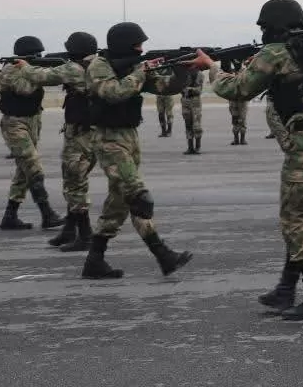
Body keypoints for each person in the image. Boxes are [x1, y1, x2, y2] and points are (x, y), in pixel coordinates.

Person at [210, 0, 303, 320]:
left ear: (272, 25)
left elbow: (238, 89)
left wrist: (212, 69)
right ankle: (286, 288)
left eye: (264, 26)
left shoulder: (275, 53)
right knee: (302, 216)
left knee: (296, 220)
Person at [80, 22, 193, 280]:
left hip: (129, 136)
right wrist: (141, 71)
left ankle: (95, 260)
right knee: (138, 195)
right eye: (137, 45)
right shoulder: (100, 65)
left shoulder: (133, 67)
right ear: (124, 44)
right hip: (108, 139)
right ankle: (162, 253)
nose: (141, 50)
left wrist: (182, 70)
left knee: (119, 203)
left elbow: (165, 87)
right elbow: (113, 93)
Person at [0, 36, 68, 232]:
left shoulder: (30, 69)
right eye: (37, 54)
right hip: (15, 124)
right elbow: (25, 89)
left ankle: (10, 216)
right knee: (34, 168)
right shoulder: (10, 69)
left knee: (24, 172)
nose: (40, 57)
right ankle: (47, 214)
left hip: (33, 121)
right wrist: (38, 72)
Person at [47, 32, 101, 252]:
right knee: (72, 181)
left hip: (81, 137)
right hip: (90, 134)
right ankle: (70, 229)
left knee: (75, 183)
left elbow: (42, 76)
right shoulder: (98, 66)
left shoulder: (75, 69)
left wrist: (24, 66)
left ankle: (85, 236)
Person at [180, 66, 209, 155]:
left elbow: (199, 90)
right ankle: (190, 147)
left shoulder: (199, 74)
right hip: (185, 101)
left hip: (195, 101)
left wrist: (189, 89)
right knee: (188, 125)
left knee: (196, 126)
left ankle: (197, 147)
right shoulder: (182, 74)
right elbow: (179, 87)